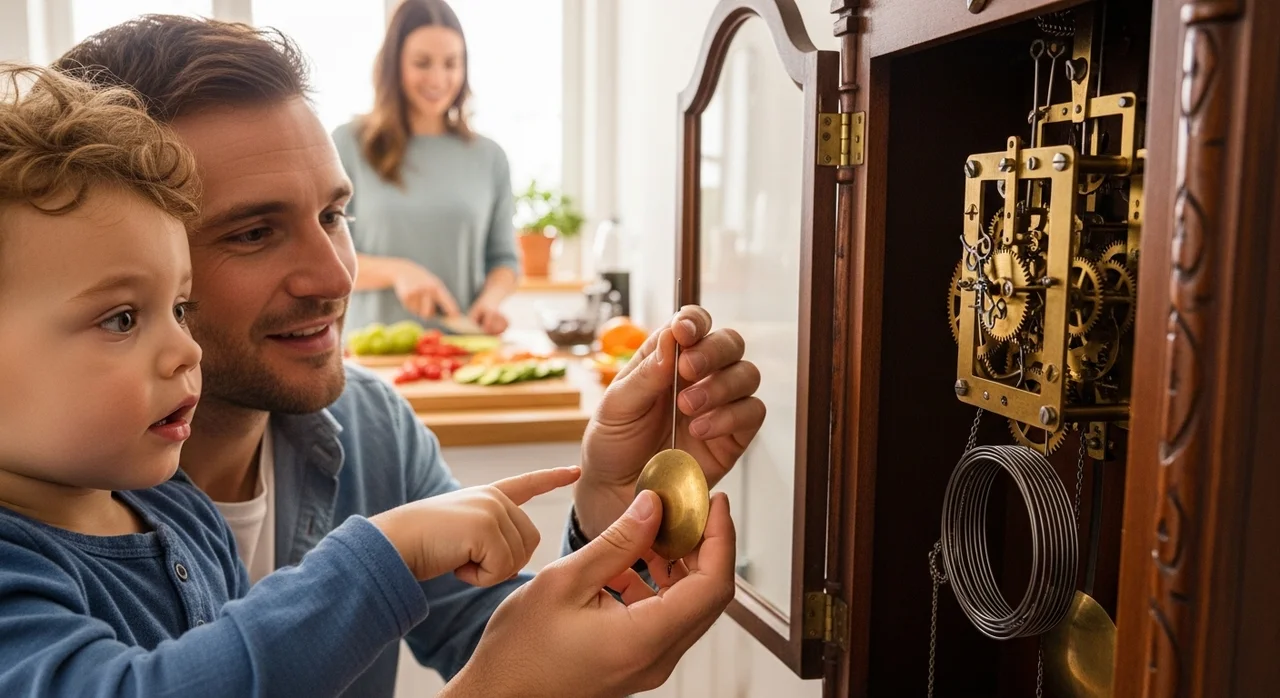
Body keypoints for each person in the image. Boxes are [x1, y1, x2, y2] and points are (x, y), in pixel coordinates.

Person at [57, 13, 766, 698]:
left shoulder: (371, 428)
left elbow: (509, 646)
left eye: (335, 215)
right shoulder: (45, 514)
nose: (337, 277)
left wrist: (618, 515)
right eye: (253, 233)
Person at [0, 62, 580, 695]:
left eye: (179, 307)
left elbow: (506, 636)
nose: (182, 347)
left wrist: (621, 506)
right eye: (120, 318)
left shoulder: (184, 512)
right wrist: (379, 557)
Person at [335, 0, 517, 336]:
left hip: (460, 356)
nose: (438, 78)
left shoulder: (490, 157)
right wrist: (398, 271)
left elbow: (505, 260)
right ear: (394, 65)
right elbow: (326, 256)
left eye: (451, 63)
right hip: (371, 355)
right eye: (422, 63)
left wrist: (490, 300)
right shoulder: (348, 144)